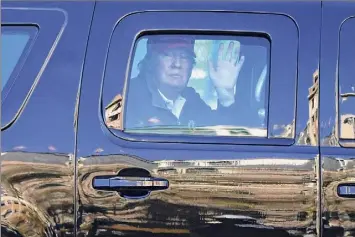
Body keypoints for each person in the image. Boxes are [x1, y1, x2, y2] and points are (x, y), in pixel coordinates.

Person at [124, 35, 248, 130]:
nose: (177, 64)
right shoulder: (129, 98)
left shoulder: (191, 98)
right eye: (168, 55)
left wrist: (225, 97)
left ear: (191, 68)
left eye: (184, 57)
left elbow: (226, 137)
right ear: (151, 62)